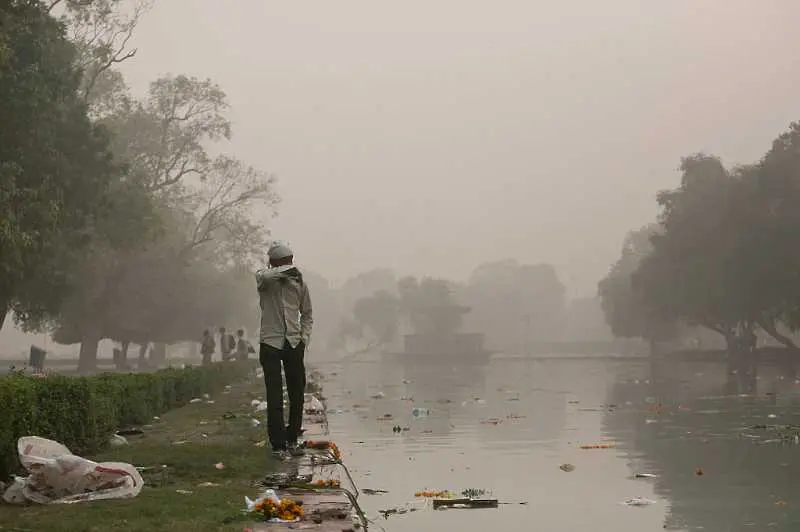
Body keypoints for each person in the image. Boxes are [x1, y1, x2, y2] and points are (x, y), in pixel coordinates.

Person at [256, 242, 313, 458]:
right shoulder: (265, 282)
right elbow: (264, 276)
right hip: (270, 342)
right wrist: (283, 270)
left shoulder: (299, 285)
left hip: (293, 343)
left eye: (290, 261)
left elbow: (307, 314)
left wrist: (304, 339)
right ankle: (278, 445)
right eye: (283, 262)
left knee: (297, 393)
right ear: (274, 263)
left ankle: (291, 440)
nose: (289, 266)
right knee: (274, 395)